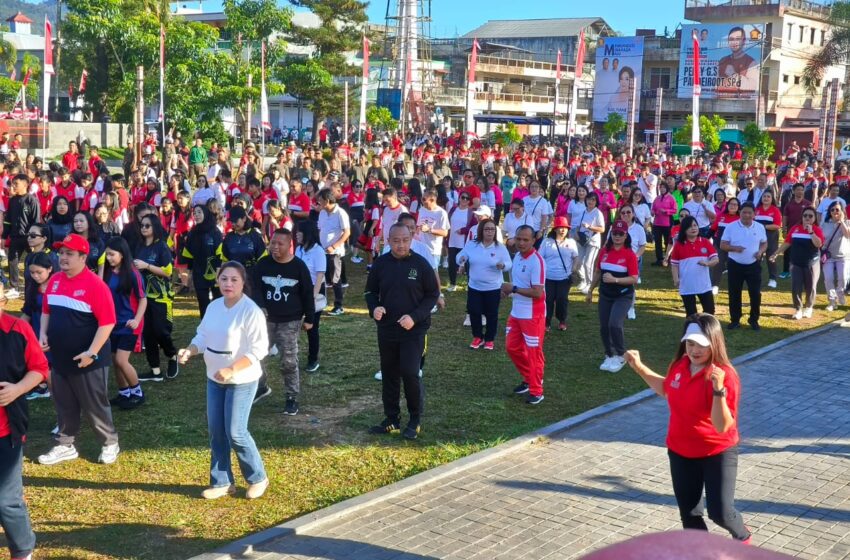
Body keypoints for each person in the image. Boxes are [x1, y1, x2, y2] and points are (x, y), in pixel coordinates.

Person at [623, 314, 751, 545]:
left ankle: (743, 537)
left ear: (714, 343)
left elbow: (722, 426)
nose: (694, 350)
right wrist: (639, 367)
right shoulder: (680, 365)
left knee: (720, 513)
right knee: (690, 516)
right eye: (690, 343)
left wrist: (718, 388)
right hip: (680, 451)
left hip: (717, 451)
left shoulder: (725, 375)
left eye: (702, 345)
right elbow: (668, 388)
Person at [178, 261, 270, 500]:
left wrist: (231, 369)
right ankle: (221, 481)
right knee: (216, 431)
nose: (228, 284)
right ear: (217, 281)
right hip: (214, 379)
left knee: (236, 432)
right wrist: (190, 350)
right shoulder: (214, 306)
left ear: (243, 283)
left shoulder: (251, 311)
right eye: (224, 279)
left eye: (234, 280)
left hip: (242, 380)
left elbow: (259, 349)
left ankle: (257, 477)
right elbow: (202, 335)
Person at [37, 234, 120, 466]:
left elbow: (107, 322)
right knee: (64, 402)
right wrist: (43, 333)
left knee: (94, 404)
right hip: (60, 357)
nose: (63, 257)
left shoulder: (96, 285)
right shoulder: (54, 280)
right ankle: (65, 444)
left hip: (88, 359)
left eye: (69, 254)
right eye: (61, 253)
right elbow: (46, 310)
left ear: (83, 257)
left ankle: (110, 442)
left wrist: (91, 353)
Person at [365, 223, 440, 439]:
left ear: (412, 238)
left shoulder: (421, 264)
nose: (400, 245)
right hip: (387, 328)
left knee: (409, 372)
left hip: (414, 330)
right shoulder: (381, 264)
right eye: (396, 241)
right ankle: (392, 419)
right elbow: (370, 292)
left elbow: (432, 294)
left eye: (405, 240)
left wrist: (414, 318)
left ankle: (415, 418)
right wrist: (374, 308)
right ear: (388, 241)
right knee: (389, 373)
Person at [0, 282, 50, 560]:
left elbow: (40, 369)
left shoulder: (17, 329)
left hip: (6, 429)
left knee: (6, 500)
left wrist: (17, 389)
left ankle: (22, 551)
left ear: (3, 303)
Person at [252, 228, 315, 417]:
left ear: (290, 245)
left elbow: (307, 294)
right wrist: (260, 305)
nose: (275, 247)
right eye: (273, 243)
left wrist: (310, 318)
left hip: (290, 320)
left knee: (288, 361)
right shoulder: (262, 264)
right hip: (265, 320)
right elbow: (254, 288)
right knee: (256, 356)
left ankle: (291, 397)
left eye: (280, 244)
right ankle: (261, 386)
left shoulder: (298, 267)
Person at [585, 219, 638, 373]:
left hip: (623, 295)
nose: (617, 236)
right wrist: (590, 291)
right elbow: (597, 272)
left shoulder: (629, 254)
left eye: (621, 233)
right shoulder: (604, 251)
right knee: (604, 326)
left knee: (614, 323)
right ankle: (609, 354)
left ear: (626, 235)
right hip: (605, 294)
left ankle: (621, 355)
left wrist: (616, 280)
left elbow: (634, 278)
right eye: (615, 233)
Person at [502, 225, 546, 405]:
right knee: (511, 347)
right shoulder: (518, 257)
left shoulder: (537, 261)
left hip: (532, 315)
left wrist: (513, 288)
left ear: (533, 240)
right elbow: (518, 284)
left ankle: (537, 390)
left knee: (534, 352)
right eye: (518, 238)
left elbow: (537, 293)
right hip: (516, 311)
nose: (521, 243)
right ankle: (529, 378)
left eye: (525, 239)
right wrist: (509, 292)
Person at [134, 213, 180, 381]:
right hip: (143, 297)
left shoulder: (161, 246)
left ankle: (172, 356)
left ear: (155, 227)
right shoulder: (139, 246)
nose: (144, 228)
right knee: (148, 333)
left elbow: (168, 271)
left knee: (161, 331)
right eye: (142, 225)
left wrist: (147, 266)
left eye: (147, 225)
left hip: (161, 296)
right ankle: (155, 371)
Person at [103, 237, 147, 410]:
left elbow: (143, 299)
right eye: (107, 255)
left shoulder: (133, 274)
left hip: (129, 324)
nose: (109, 258)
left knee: (122, 360)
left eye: (112, 255)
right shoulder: (107, 273)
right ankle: (124, 393)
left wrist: (136, 319)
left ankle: (137, 393)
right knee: (115, 360)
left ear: (122, 254)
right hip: (112, 324)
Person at [457, 218, 512, 350]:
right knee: (474, 311)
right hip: (475, 286)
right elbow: (460, 255)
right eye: (487, 229)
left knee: (491, 313)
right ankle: (477, 337)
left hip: (493, 287)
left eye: (492, 229)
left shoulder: (500, 247)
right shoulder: (472, 245)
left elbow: (509, 263)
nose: (489, 232)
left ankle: (489, 339)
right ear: (481, 230)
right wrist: (461, 259)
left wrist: (503, 265)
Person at [769, 207, 824, 319]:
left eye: (810, 216)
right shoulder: (795, 228)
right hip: (796, 263)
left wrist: (811, 232)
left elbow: (818, 244)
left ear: (814, 218)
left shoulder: (817, 229)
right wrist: (776, 253)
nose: (807, 218)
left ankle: (809, 307)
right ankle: (798, 309)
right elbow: (787, 243)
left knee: (811, 286)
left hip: (811, 263)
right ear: (802, 217)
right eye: (805, 216)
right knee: (796, 287)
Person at [721, 202, 767, 330]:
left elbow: (764, 243)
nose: (746, 215)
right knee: (734, 293)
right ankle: (735, 320)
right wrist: (735, 248)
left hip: (753, 265)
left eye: (749, 213)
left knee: (755, 293)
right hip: (735, 264)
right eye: (744, 212)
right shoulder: (731, 227)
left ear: (754, 214)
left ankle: (754, 319)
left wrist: (761, 251)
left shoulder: (759, 227)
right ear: (739, 213)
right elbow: (723, 245)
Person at [670, 216, 719, 316]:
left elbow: (716, 259)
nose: (693, 228)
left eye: (695, 225)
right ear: (684, 230)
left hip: (704, 285)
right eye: (690, 227)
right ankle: (693, 330)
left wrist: (707, 263)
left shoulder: (705, 242)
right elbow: (674, 265)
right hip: (687, 285)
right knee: (691, 314)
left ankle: (708, 330)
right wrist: (676, 279)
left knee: (709, 312)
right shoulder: (679, 245)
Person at [295, 221, 326, 373]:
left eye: (299, 232)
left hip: (314, 292)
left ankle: (313, 359)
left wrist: (312, 297)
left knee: (312, 327)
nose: (297, 234)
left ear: (307, 233)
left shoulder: (318, 251)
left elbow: (320, 275)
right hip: (299, 291)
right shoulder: (298, 249)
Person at [3, 174, 41, 298]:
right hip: (15, 236)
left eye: (16, 184)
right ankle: (14, 287)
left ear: (25, 185)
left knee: (30, 262)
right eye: (13, 184)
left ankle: (31, 286)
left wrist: (34, 239)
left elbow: (36, 222)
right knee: (12, 261)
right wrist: (4, 237)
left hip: (28, 237)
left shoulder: (32, 200)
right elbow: (7, 220)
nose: (13, 186)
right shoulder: (12, 200)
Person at [539, 216, 579, 331]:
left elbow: (575, 257)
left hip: (564, 277)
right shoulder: (547, 242)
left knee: (562, 299)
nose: (563, 230)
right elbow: (540, 258)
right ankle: (547, 322)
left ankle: (562, 320)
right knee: (548, 299)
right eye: (560, 227)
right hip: (548, 277)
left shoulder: (571, 242)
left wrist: (574, 269)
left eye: (565, 228)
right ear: (555, 229)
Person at [182, 205, 223, 318]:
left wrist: (219, 273)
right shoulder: (192, 233)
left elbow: (220, 254)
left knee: (218, 302)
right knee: (203, 302)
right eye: (194, 213)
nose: (196, 215)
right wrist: (190, 272)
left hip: (215, 273)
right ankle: (205, 328)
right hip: (199, 272)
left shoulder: (215, 232)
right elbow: (188, 255)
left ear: (206, 213)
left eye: (199, 212)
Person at [316, 188, 350, 316]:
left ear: (327, 201)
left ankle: (338, 306)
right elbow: (320, 229)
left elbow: (347, 232)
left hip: (334, 252)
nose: (318, 203)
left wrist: (334, 246)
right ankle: (321, 303)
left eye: (320, 201)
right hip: (322, 251)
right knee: (322, 278)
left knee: (335, 279)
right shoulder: (322, 213)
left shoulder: (341, 213)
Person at [818, 202, 850, 311]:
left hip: (843, 256)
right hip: (828, 256)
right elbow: (821, 239)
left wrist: (841, 222)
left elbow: (847, 235)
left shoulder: (847, 222)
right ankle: (832, 301)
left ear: (842, 211)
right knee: (828, 279)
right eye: (832, 210)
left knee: (843, 278)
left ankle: (840, 293)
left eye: (837, 209)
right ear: (829, 212)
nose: (835, 212)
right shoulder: (825, 224)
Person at [754, 191, 782, 289]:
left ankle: (772, 279)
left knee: (771, 258)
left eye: (768, 197)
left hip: (771, 237)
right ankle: (755, 277)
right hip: (757, 237)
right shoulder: (756, 210)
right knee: (756, 257)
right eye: (764, 196)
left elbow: (777, 225)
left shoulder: (775, 210)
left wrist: (763, 226)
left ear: (772, 199)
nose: (766, 198)